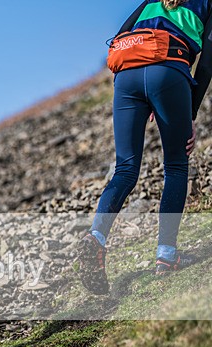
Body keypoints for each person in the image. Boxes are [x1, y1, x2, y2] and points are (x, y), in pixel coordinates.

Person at [77, 0, 212, 294]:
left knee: (125, 168)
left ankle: (96, 237)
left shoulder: (152, 1)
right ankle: (166, 255)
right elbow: (209, 59)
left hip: (127, 76)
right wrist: (189, 111)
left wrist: (141, 86)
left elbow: (122, 34)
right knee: (176, 164)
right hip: (169, 71)